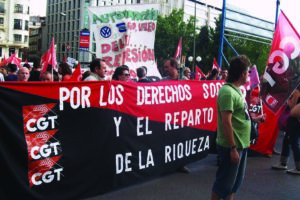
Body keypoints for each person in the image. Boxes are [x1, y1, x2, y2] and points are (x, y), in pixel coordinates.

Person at [211, 55, 252, 200]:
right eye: (248, 72)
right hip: (232, 145)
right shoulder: (227, 92)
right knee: (223, 184)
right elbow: (226, 122)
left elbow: (239, 115)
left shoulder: (237, 91)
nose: (249, 75)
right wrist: (233, 148)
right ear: (242, 73)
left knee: (232, 184)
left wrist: (256, 119)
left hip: (240, 144)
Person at [272, 90, 300, 174]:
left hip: (295, 119)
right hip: (297, 118)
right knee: (287, 139)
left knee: (294, 141)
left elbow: (292, 105)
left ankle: (298, 167)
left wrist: (288, 99)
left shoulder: (297, 91)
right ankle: (283, 162)